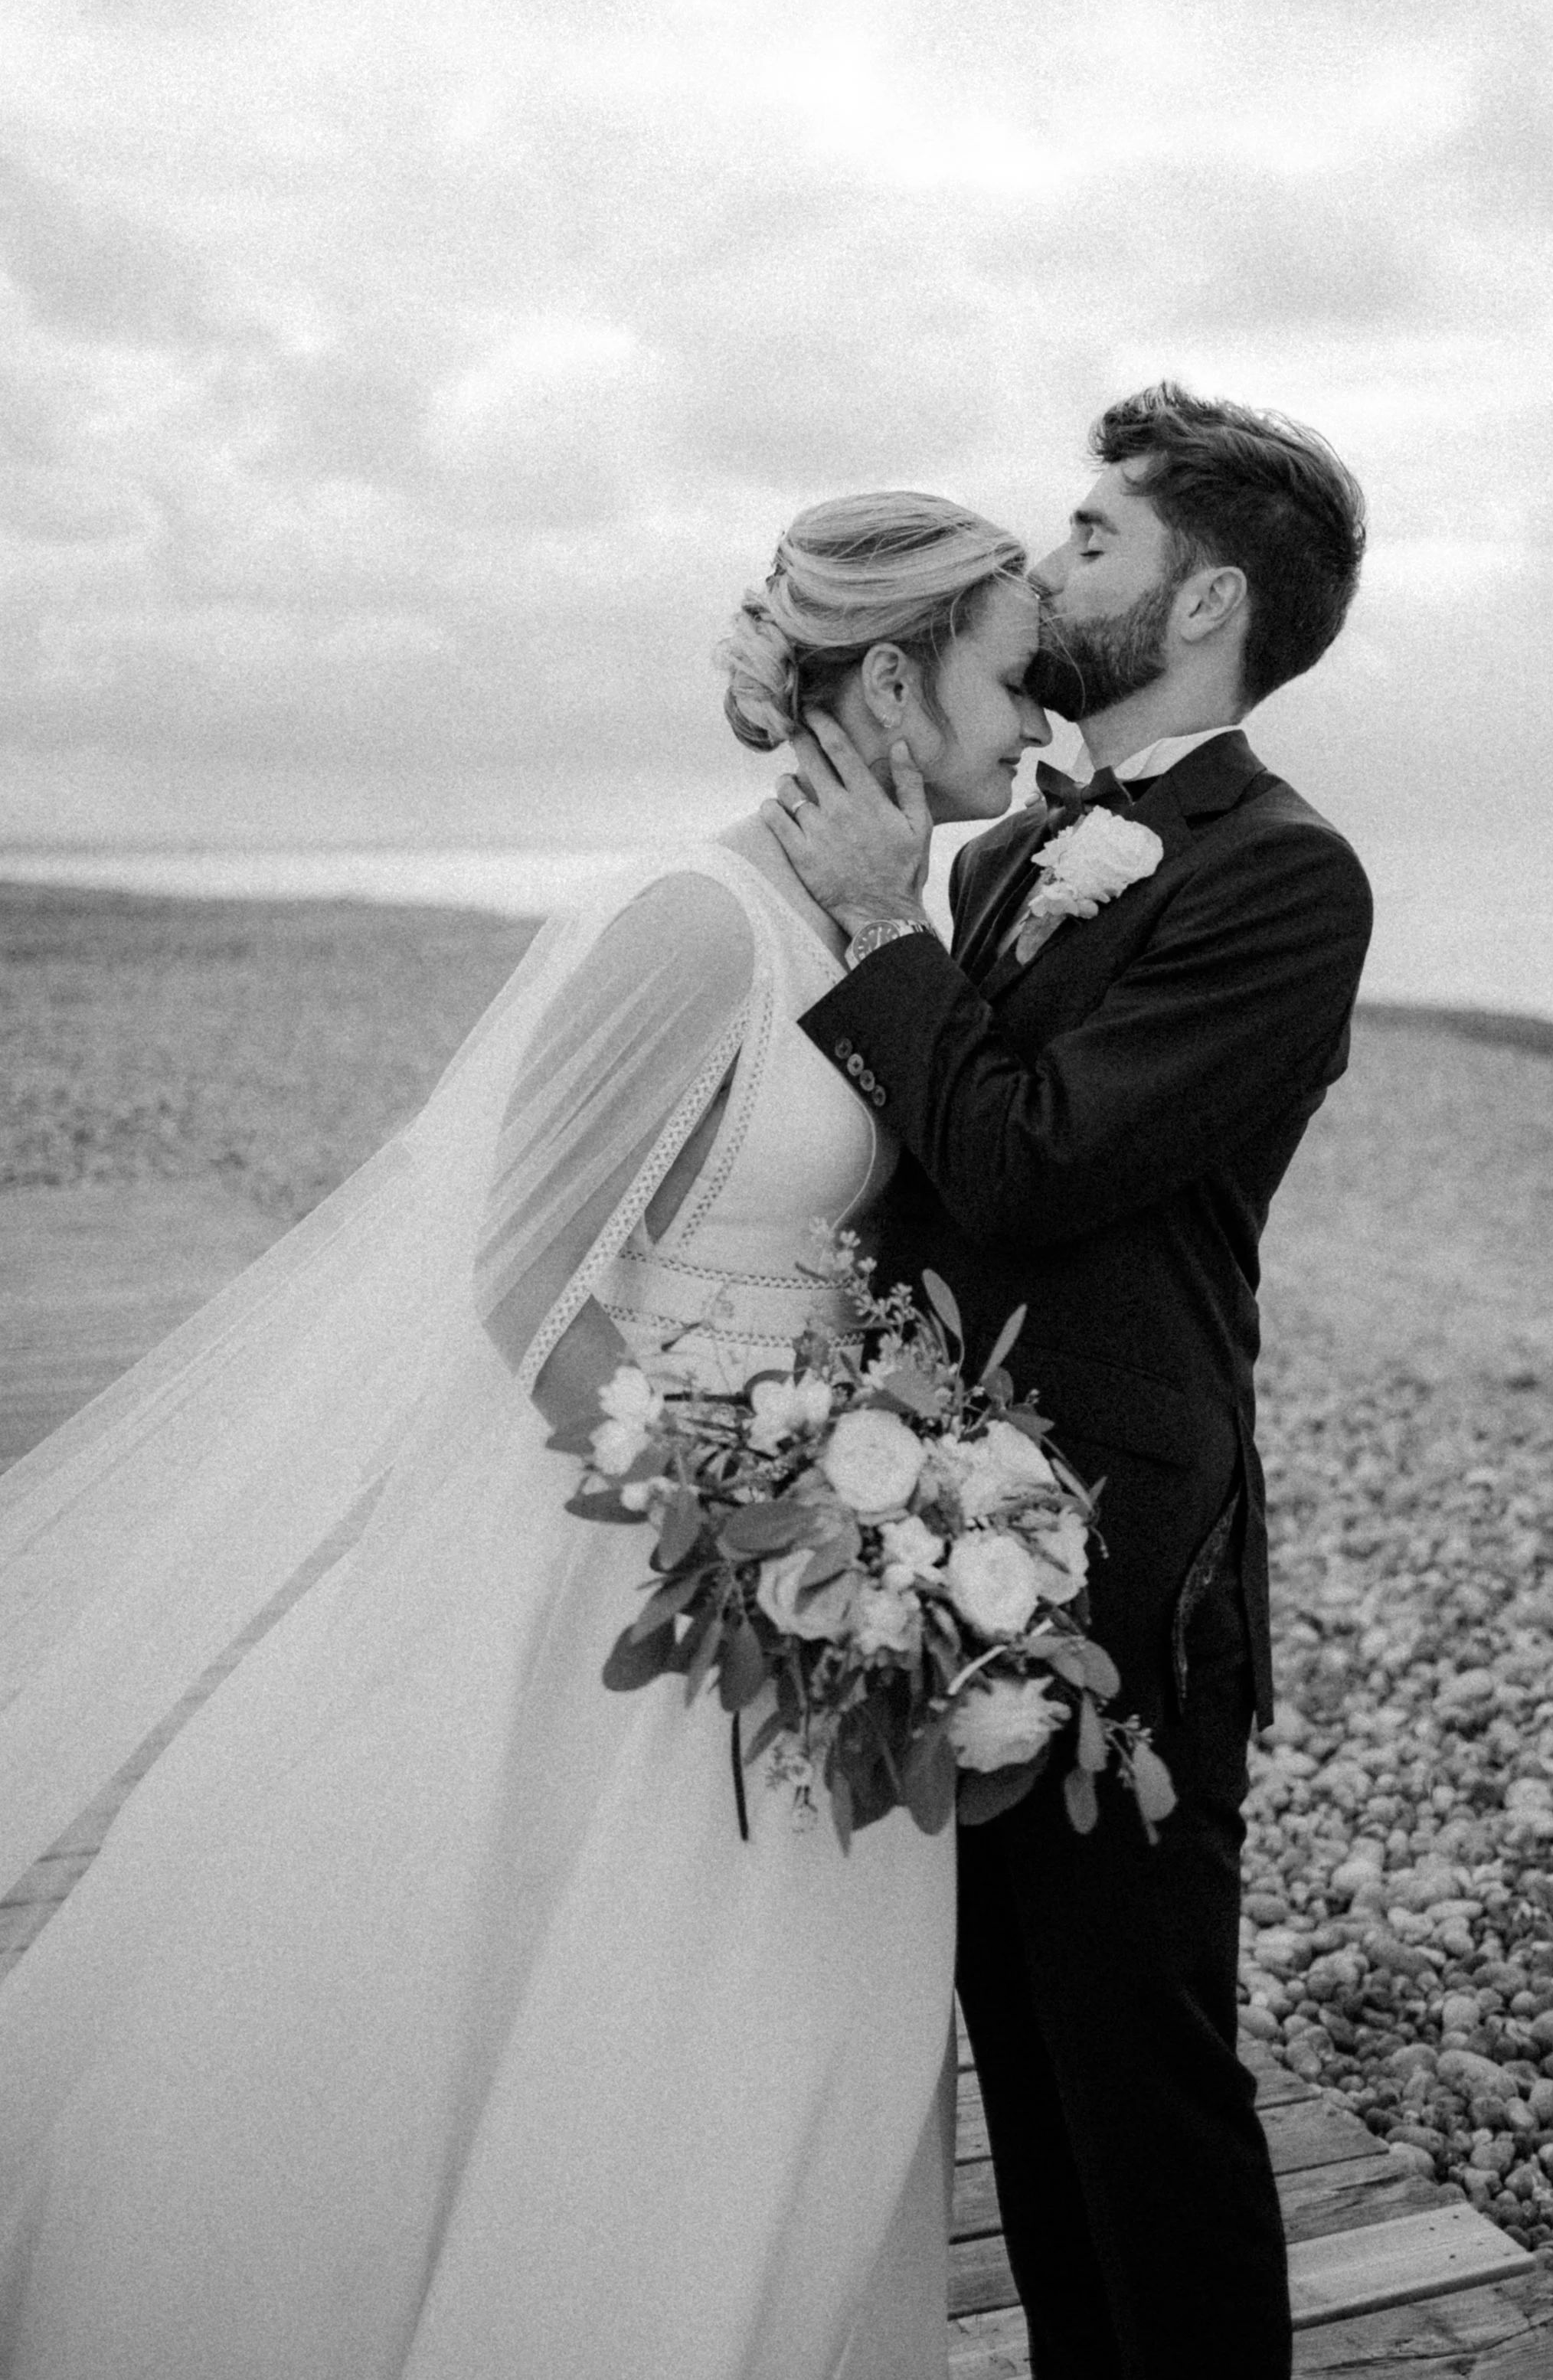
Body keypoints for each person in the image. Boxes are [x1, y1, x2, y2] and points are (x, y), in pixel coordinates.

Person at [0, 493, 1051, 2380]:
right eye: (1010, 678)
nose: (1037, 726)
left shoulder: (882, 930)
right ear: (894, 680)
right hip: (641, 1573)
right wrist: (746, 1546)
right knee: (556, 2008)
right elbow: (519, 1279)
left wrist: (865, 1536)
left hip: (819, 1560)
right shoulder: (691, 921)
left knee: (772, 2043)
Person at [763, 381, 1374, 2379]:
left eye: (1089, 539)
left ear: (1204, 602)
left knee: (1138, 2087)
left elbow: (1032, 1155)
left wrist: (866, 923)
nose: (1046, 566)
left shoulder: (1285, 877)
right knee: (1021, 2068)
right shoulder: (1012, 845)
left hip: (1129, 1557)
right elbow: (939, 1167)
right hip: (931, 1529)